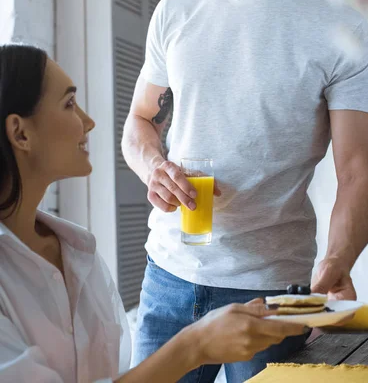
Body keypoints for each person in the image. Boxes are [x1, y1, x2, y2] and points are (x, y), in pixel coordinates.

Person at [122, 0, 368, 382]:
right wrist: (154, 166)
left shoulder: (341, 31)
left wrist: (336, 262)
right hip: (168, 273)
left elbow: (357, 171)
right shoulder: (176, 12)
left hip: (273, 289)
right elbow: (140, 121)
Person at [0, 43, 305, 383]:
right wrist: (195, 345)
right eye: (69, 104)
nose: (89, 121)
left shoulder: (78, 252)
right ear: (20, 133)